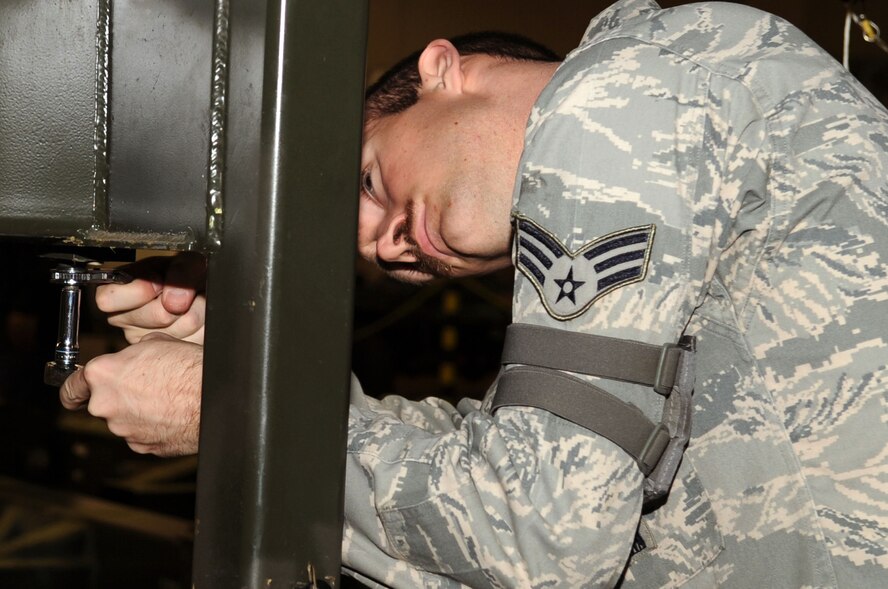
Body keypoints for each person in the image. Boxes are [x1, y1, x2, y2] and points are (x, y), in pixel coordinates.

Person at [60, 0, 888, 586]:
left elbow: (546, 544)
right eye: (389, 260)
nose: (392, 243)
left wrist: (235, 410)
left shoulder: (616, 99)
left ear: (441, 70)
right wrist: (238, 371)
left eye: (372, 182)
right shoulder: (666, 114)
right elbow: (516, 475)